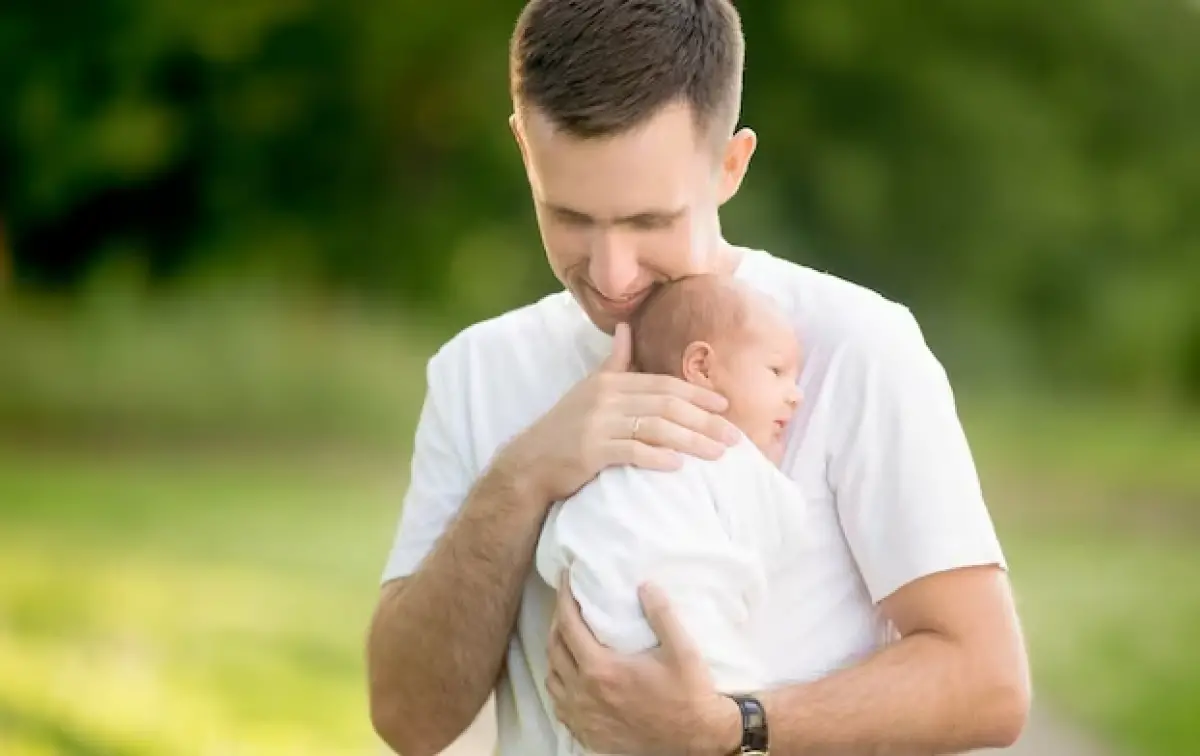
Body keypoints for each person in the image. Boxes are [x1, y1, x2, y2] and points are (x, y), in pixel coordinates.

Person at [366, 1, 1031, 754]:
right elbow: (407, 720)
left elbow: (989, 685)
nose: (613, 274)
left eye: (650, 221)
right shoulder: (477, 372)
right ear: (525, 149)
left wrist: (731, 727)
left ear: (731, 166)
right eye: (571, 217)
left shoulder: (857, 346)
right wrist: (523, 477)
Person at [535, 274, 810, 755]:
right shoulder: (730, 454)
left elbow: (557, 540)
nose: (796, 395)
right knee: (727, 692)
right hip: (686, 644)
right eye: (776, 372)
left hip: (594, 635)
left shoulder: (610, 453)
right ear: (701, 367)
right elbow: (787, 535)